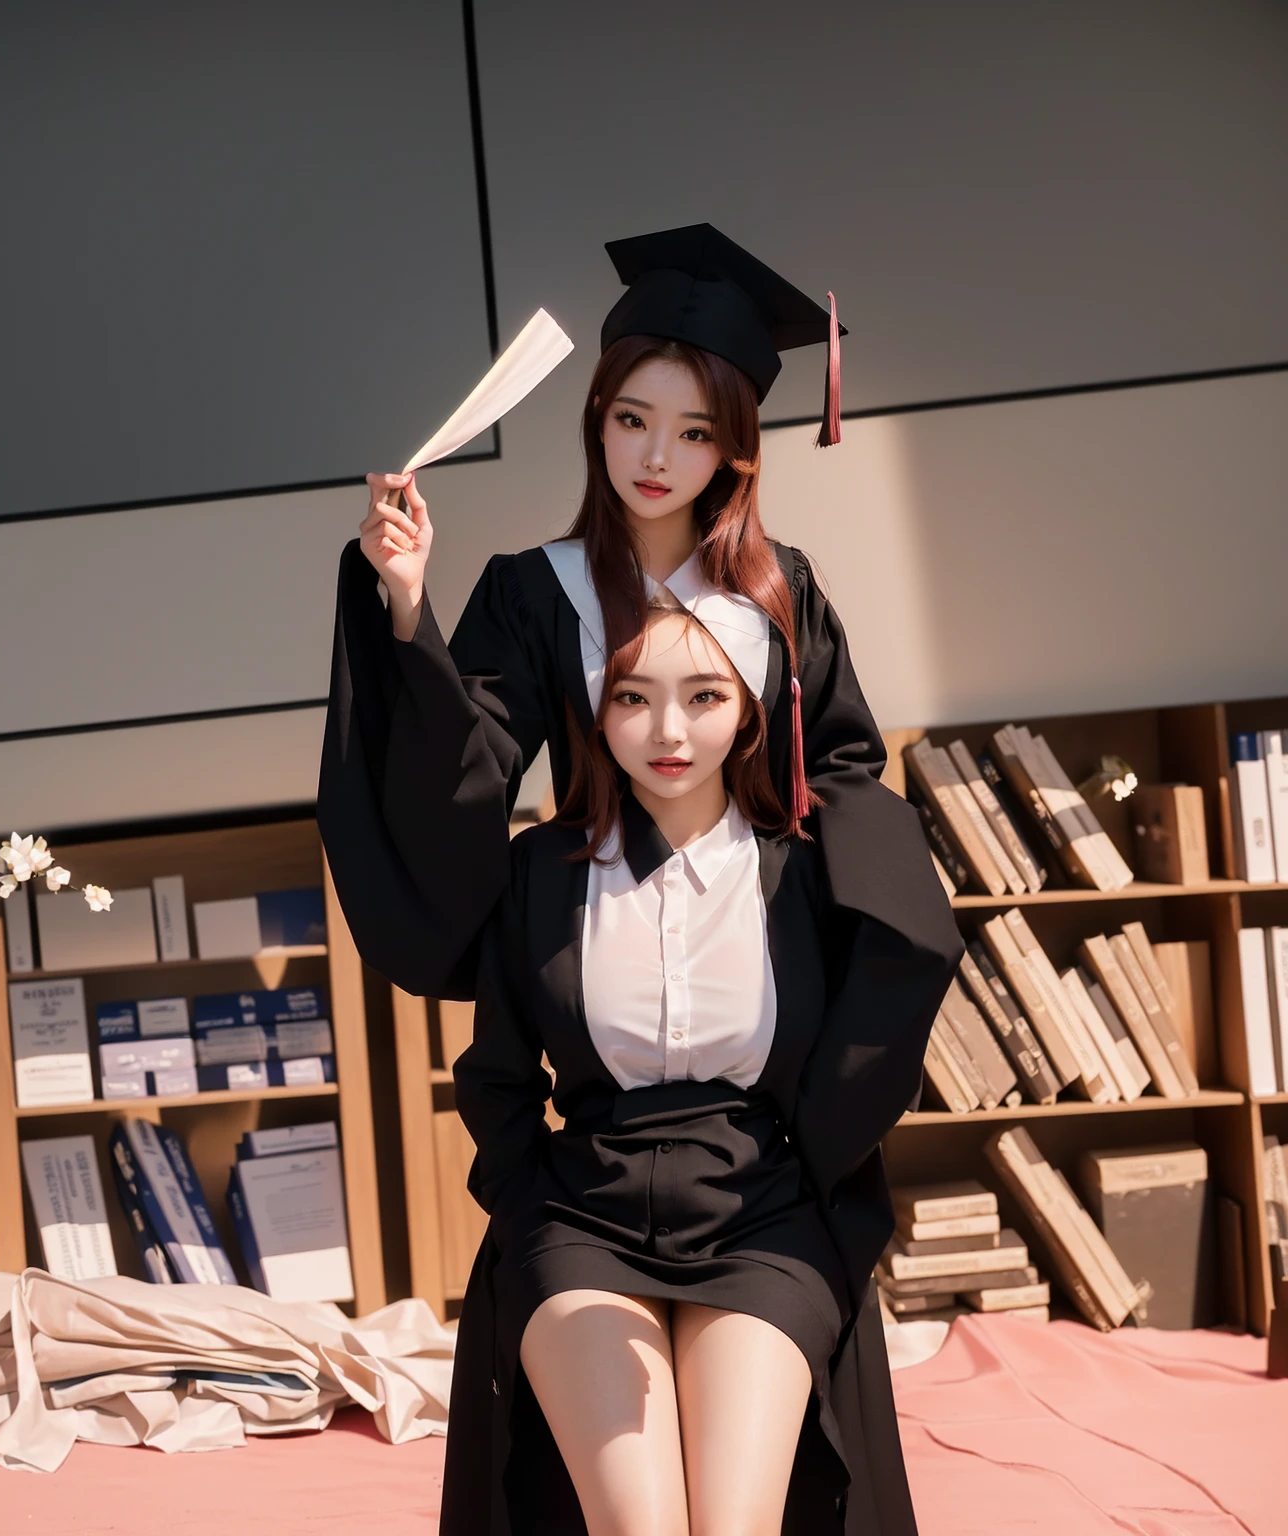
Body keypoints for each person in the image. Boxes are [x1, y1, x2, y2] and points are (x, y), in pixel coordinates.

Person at [318, 223, 962, 1532]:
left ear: (733, 448)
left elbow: (841, 766)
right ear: (596, 424)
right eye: (629, 420)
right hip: (598, 1022)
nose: (655, 458)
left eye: (691, 431)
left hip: (747, 1125)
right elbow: (465, 762)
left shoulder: (783, 601)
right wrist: (404, 601)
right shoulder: (534, 592)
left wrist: (802, 894)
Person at [444, 600, 958, 1536]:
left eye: (704, 694)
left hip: (760, 1212)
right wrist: (525, 1210)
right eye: (632, 697)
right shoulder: (540, 873)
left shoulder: (807, 869)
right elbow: (499, 1077)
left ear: (754, 706)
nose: (669, 730)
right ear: (594, 712)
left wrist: (822, 1188)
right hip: (581, 1217)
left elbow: (879, 1028)